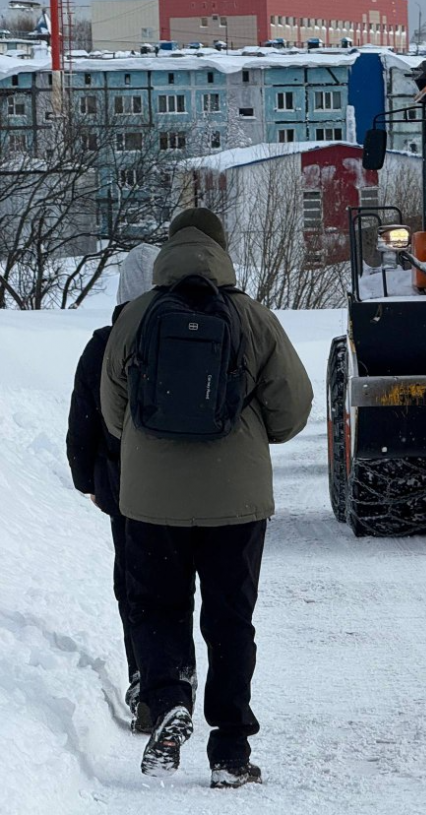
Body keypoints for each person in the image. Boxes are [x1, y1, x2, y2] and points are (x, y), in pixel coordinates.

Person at [101, 208, 313, 788]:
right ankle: (230, 751)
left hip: (150, 500)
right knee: (229, 620)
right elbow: (292, 410)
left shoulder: (138, 315)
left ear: (170, 250)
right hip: (236, 502)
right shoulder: (252, 316)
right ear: (223, 251)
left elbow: (112, 411)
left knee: (156, 605)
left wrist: (150, 445)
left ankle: (168, 697)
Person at [66, 244, 174, 734]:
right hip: (185, 484)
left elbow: (83, 421)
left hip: (125, 485)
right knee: (177, 585)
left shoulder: (105, 343)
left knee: (135, 586)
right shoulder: (182, 336)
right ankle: (178, 678)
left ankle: (145, 681)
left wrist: (87, 479)